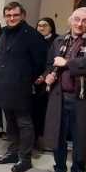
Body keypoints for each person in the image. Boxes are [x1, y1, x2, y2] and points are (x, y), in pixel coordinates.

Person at [42, 8, 86, 172]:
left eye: (85, 21)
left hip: (83, 97)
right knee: (58, 136)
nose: (79, 24)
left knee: (81, 138)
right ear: (70, 20)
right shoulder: (60, 40)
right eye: (76, 19)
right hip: (59, 96)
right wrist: (48, 75)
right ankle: (59, 171)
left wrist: (68, 63)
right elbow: (50, 64)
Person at [0, 2, 48, 172]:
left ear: (23, 15)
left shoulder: (32, 35)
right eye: (8, 15)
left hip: (22, 85)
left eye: (15, 15)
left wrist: (29, 80)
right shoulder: (4, 33)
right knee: (10, 121)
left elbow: (40, 61)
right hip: (4, 84)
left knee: (24, 123)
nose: (12, 18)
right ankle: (12, 152)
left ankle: (25, 158)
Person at [32, 17, 58, 147]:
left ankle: (46, 140)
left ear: (51, 27)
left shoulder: (57, 41)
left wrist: (43, 76)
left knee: (47, 112)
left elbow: (55, 62)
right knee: (35, 111)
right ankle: (35, 138)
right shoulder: (33, 40)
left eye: (45, 25)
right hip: (34, 81)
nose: (41, 28)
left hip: (51, 81)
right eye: (39, 25)